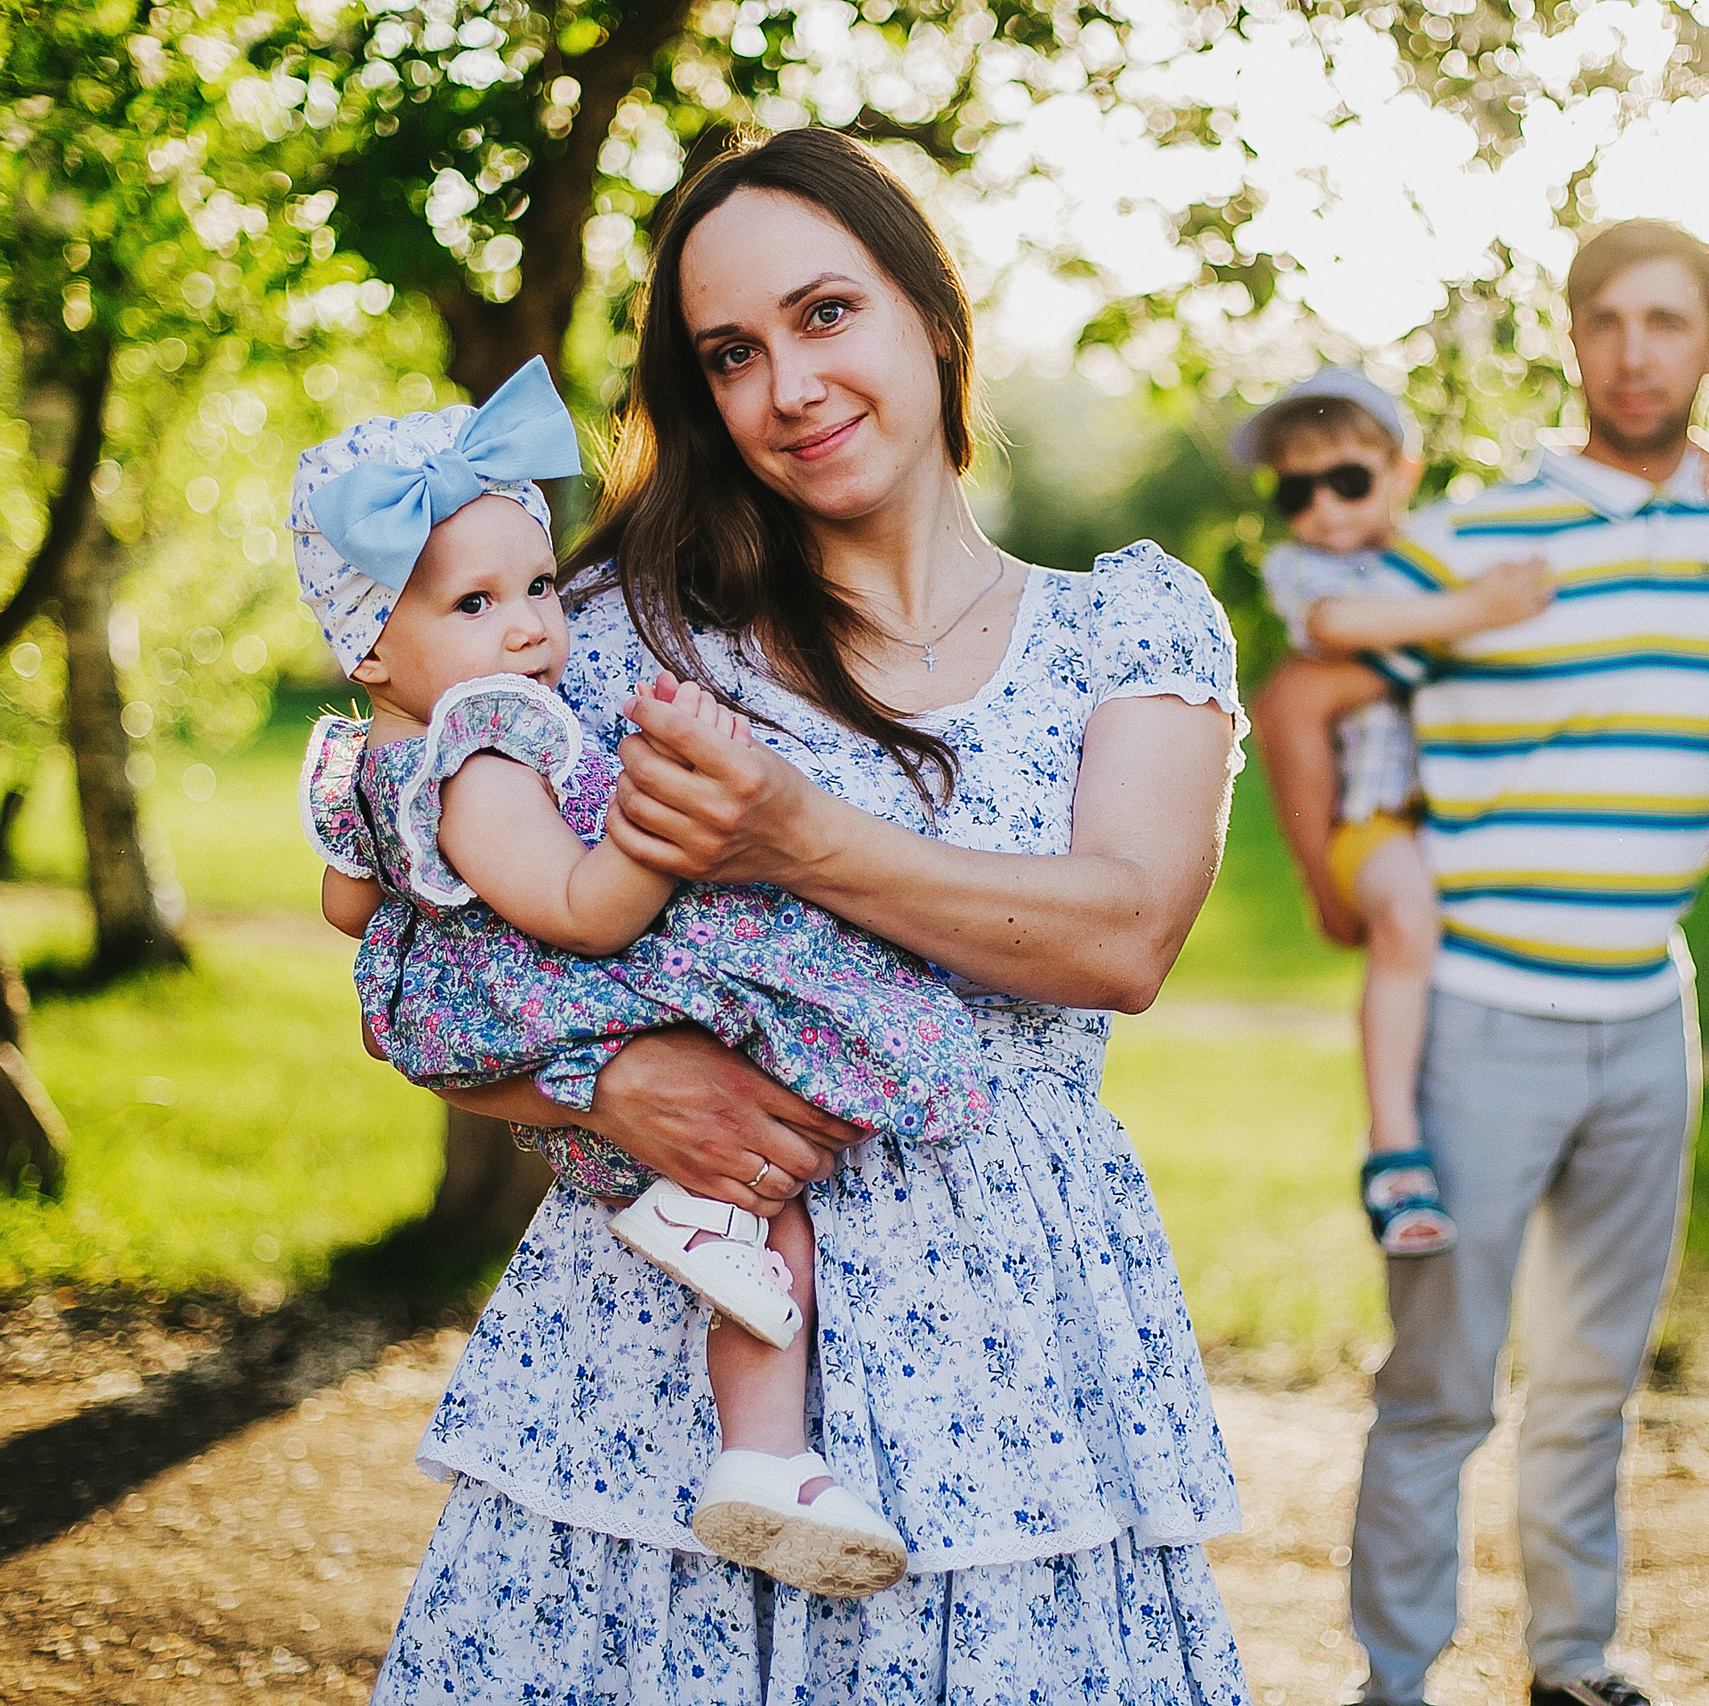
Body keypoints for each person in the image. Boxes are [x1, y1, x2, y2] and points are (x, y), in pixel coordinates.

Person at [360, 129, 1253, 1703]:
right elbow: (429, 974)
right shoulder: (609, 638)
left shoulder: (1127, 623)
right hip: (660, 1356)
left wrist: (794, 835)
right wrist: (596, 1084)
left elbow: (1123, 935)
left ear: (932, 314)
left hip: (1011, 1355)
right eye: (731, 353)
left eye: (827, 313)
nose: (789, 385)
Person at [289, 358, 1000, 1598]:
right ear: (373, 649)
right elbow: (580, 910)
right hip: (574, 981)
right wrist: (656, 828)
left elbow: (351, 904)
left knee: (747, 1177)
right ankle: (767, 1452)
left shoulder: (369, 755)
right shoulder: (487, 744)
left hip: (494, 1011)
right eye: (473, 604)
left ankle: (755, 1416)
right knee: (782, 1118)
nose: (526, 627)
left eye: (539, 586)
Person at [1251, 219, 1709, 1706]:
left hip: (1649, 1016)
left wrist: (1676, 854)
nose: (1635, 348)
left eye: (1665, 321)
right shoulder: (1475, 537)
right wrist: (1336, 892)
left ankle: (1573, 1663)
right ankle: (1396, 1681)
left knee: (1593, 1380)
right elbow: (1304, 687)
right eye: (1607, 321)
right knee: (1441, 1383)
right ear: (1574, 342)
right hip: (1476, 1015)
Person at [1234, 368, 1554, 1257]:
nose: (1326, 510)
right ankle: (1392, 1148)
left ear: (1402, 474)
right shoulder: (1302, 569)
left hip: (1457, 814)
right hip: (1374, 820)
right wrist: (1473, 611)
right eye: (1297, 490)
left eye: (1349, 480)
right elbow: (1339, 624)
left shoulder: (1439, 545)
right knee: (1407, 919)